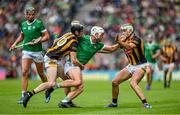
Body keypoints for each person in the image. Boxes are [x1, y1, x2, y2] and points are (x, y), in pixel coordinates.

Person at [22, 22, 84, 108]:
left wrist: (57, 50)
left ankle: (68, 101)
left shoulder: (68, 34)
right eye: (81, 31)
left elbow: (55, 41)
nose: (83, 33)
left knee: (67, 80)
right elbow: (74, 60)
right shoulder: (74, 42)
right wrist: (81, 66)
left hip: (55, 58)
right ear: (76, 33)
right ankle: (29, 94)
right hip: (51, 59)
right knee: (51, 83)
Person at [106, 23, 152, 109]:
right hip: (131, 65)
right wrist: (97, 49)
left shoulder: (137, 39)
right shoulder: (124, 39)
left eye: (124, 31)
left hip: (141, 65)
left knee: (133, 83)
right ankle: (114, 103)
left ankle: (145, 103)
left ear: (130, 31)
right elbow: (112, 49)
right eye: (122, 31)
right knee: (114, 82)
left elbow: (129, 47)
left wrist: (120, 41)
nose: (122, 33)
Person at [9, 7, 49, 104]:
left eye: (32, 14)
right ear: (25, 14)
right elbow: (22, 36)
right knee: (24, 72)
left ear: (34, 15)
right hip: (26, 51)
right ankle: (23, 95)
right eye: (28, 14)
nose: (30, 16)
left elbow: (46, 36)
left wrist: (38, 41)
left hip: (37, 52)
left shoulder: (39, 23)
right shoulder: (23, 24)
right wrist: (15, 44)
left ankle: (48, 88)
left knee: (41, 73)